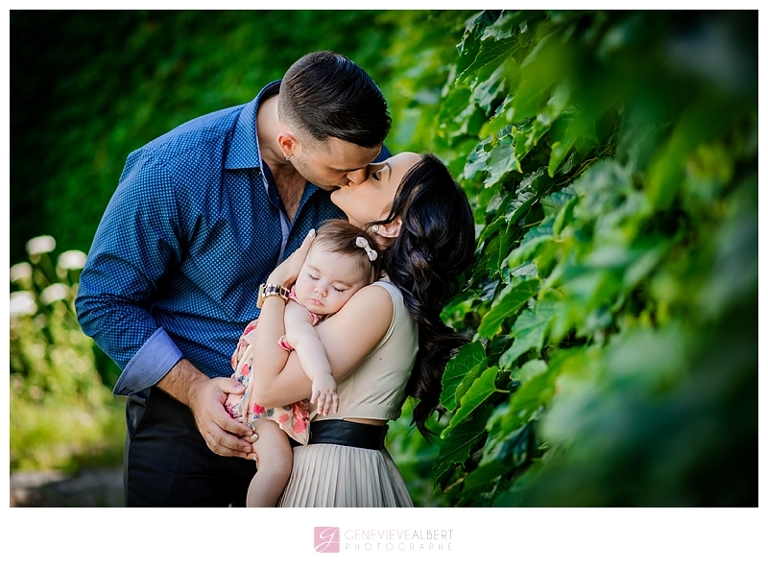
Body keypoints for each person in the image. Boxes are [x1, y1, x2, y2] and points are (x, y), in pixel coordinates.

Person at [75, 51, 392, 506]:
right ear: (289, 144)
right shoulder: (171, 170)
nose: (359, 179)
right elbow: (104, 300)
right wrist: (193, 389)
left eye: (369, 164)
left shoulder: (354, 159)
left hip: (310, 427)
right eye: (342, 171)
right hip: (184, 417)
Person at [244, 151, 476, 506]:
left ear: (391, 224)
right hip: (334, 464)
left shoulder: (377, 300)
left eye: (379, 174)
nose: (359, 171)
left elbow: (269, 388)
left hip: (333, 476)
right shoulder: (372, 293)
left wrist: (277, 285)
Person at [224, 219, 382, 506]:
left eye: (339, 288)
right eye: (312, 276)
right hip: (258, 405)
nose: (320, 290)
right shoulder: (296, 309)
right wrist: (322, 375)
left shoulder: (329, 312)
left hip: (271, 405)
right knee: (277, 465)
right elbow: (304, 338)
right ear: (299, 267)